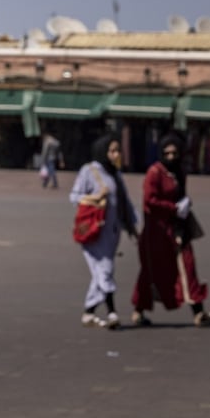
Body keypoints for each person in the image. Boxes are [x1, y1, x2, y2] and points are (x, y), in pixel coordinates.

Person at [131, 133, 210, 327]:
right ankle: (139, 310)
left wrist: (184, 206)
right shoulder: (155, 172)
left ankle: (199, 311)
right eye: (167, 153)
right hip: (157, 232)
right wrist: (173, 207)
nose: (171, 157)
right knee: (151, 271)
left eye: (174, 153)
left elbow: (181, 195)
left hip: (177, 228)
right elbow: (149, 200)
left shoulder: (179, 172)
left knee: (188, 266)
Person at [70, 134, 138, 329]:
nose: (116, 154)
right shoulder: (89, 171)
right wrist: (96, 196)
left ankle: (89, 313)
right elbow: (74, 196)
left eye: (118, 150)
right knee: (105, 269)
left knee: (101, 271)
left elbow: (125, 202)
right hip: (93, 231)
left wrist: (133, 226)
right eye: (112, 151)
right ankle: (112, 312)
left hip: (112, 232)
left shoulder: (115, 173)